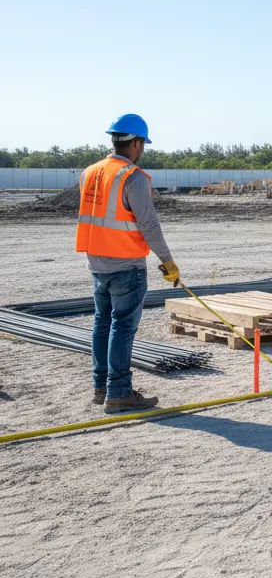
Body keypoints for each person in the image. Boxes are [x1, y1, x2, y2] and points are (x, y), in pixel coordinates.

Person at [76, 114, 179, 412]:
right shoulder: (132, 176)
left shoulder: (89, 173)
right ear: (135, 143)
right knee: (122, 328)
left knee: (102, 324)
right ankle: (119, 392)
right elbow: (149, 225)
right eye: (142, 144)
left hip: (96, 263)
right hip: (126, 265)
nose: (142, 149)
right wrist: (168, 261)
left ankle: (101, 387)